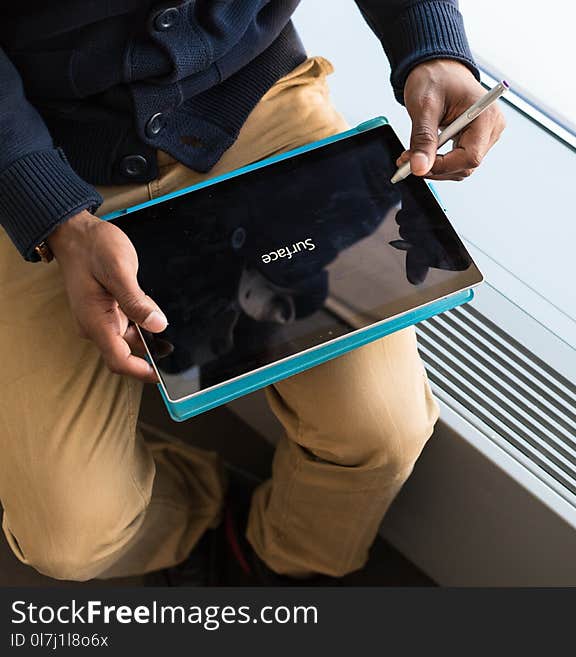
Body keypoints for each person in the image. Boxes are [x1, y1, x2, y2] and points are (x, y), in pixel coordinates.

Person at [0, 1, 505, 583]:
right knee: (70, 541)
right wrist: (52, 214)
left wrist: (431, 44)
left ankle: (278, 564)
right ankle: (201, 516)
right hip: (36, 143)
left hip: (249, 96)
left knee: (382, 432)